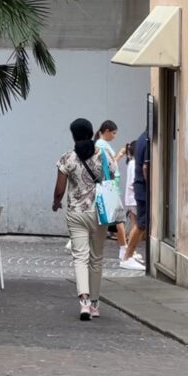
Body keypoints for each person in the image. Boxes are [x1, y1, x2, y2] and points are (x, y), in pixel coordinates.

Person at [53, 118, 116, 321]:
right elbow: (112, 175)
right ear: (91, 133)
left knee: (80, 257)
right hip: (100, 212)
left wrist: (56, 203)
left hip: (77, 213)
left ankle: (84, 303)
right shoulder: (103, 155)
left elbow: (60, 189)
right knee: (96, 258)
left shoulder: (67, 159)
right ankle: (96, 304)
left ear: (73, 135)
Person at [94, 120, 128, 260]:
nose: (114, 136)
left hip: (109, 183)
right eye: (113, 133)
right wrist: (120, 153)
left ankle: (73, 243)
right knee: (117, 217)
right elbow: (110, 163)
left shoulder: (100, 144)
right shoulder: (101, 144)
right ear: (106, 131)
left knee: (102, 216)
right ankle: (124, 249)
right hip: (109, 184)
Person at [120, 129, 148, 271]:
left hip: (134, 196)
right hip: (138, 195)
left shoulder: (142, 139)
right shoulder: (147, 141)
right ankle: (128, 256)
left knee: (137, 224)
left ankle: (129, 254)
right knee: (140, 224)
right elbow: (145, 168)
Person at [124, 140, 138, 234]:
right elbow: (133, 181)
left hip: (131, 198)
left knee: (134, 223)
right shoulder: (134, 164)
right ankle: (132, 243)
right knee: (137, 225)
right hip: (135, 198)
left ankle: (131, 244)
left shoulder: (131, 163)